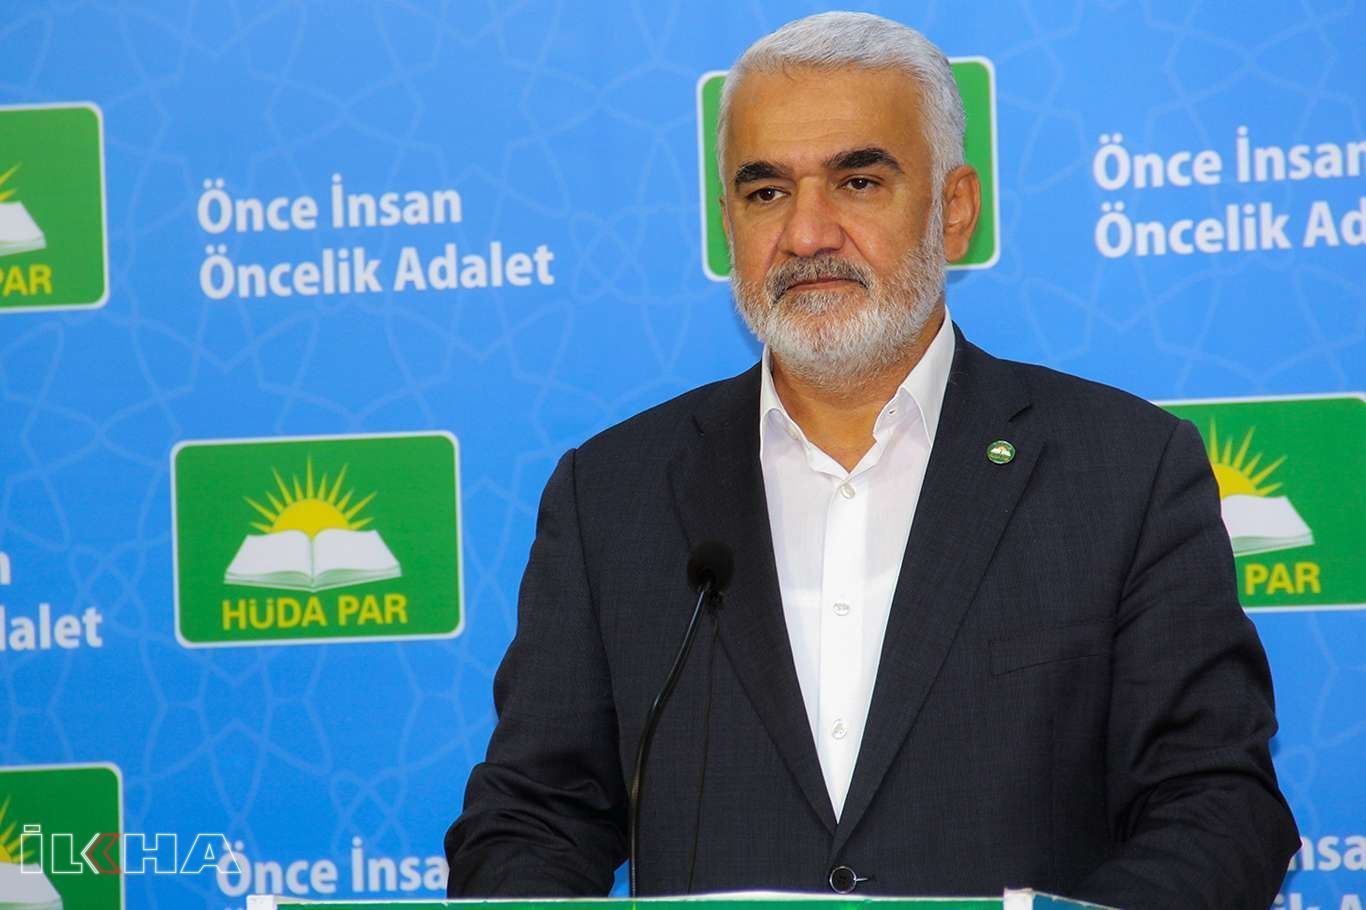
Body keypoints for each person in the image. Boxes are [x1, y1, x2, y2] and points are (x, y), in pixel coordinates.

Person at [445, 11, 1299, 907]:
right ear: (728, 221)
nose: (807, 233)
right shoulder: (612, 494)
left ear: (954, 211)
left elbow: (1216, 806)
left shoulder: (1124, 470)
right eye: (766, 192)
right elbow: (530, 822)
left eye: (857, 181)